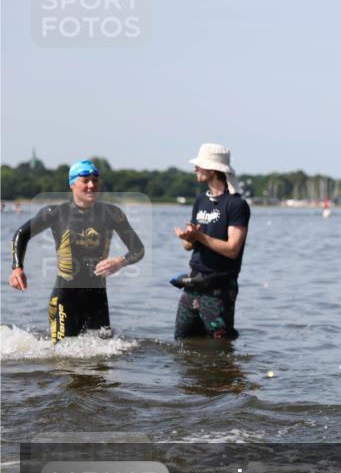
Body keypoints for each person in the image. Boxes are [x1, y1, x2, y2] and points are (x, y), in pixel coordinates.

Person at [8, 160, 144, 343]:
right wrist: (17, 268)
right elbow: (21, 234)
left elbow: (138, 249)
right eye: (85, 180)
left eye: (95, 180)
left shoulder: (112, 214)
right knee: (63, 360)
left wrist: (119, 262)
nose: (91, 185)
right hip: (65, 299)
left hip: (98, 302)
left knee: (101, 362)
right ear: (72, 184)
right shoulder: (55, 213)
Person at [173, 143, 250, 339]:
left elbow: (233, 249)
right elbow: (189, 247)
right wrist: (189, 238)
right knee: (182, 345)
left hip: (219, 291)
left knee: (221, 350)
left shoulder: (236, 204)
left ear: (214, 170)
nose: (194, 169)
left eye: (199, 165)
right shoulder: (201, 200)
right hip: (193, 285)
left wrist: (200, 236)